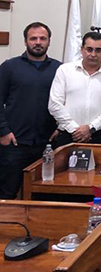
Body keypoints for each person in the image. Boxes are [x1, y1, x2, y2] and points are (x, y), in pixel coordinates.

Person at [0, 22, 61, 199]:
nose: (38, 42)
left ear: (49, 41)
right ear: (25, 41)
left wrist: (60, 128)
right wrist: (3, 131)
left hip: (47, 145)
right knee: (7, 193)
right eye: (33, 38)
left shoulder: (59, 69)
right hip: (14, 143)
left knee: (42, 195)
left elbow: (68, 103)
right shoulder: (9, 67)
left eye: (42, 38)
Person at [49, 32, 101, 147]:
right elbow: (54, 104)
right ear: (82, 50)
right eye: (89, 49)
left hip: (100, 135)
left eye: (98, 50)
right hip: (69, 134)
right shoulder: (64, 70)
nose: (93, 54)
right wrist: (75, 129)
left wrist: (91, 128)